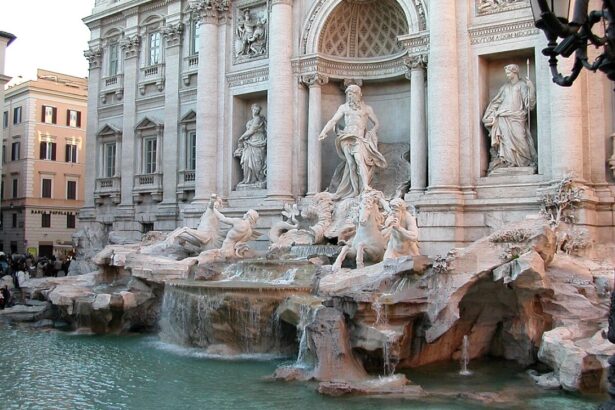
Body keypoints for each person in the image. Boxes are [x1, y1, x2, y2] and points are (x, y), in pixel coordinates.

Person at [319, 84, 387, 199]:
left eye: (352, 94)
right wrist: (324, 131)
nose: (350, 97)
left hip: (358, 139)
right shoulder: (344, 107)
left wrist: (372, 131)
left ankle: (365, 186)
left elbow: (376, 123)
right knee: (351, 164)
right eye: (348, 95)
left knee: (359, 160)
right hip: (346, 138)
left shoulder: (367, 109)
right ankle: (355, 190)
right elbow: (333, 120)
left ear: (359, 94)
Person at [482, 64, 537, 173]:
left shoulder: (522, 85)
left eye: (508, 73)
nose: (507, 75)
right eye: (506, 73)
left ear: (515, 72)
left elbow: (529, 104)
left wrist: (531, 88)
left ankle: (524, 162)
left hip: (517, 117)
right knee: (505, 141)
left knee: (521, 139)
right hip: (503, 117)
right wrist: (489, 114)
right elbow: (496, 102)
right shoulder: (504, 87)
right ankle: (508, 162)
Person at [234, 104, 267, 187]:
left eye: (257, 110)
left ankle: (259, 179)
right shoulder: (250, 120)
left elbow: (252, 130)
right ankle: (247, 179)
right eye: (254, 109)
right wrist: (244, 139)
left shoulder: (258, 119)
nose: (256, 111)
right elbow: (249, 131)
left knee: (257, 161)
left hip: (258, 141)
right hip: (250, 142)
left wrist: (242, 137)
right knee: (246, 159)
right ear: (252, 109)